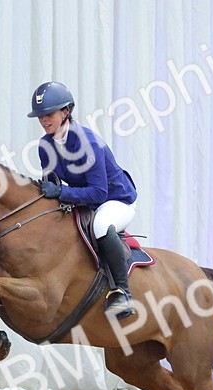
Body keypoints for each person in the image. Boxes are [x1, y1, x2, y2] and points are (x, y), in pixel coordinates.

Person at [29, 81, 138, 319]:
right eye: (40, 117)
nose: (44, 120)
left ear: (66, 111)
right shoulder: (45, 145)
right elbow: (52, 183)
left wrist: (62, 193)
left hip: (115, 201)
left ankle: (122, 292)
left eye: (48, 114)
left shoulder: (88, 142)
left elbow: (99, 193)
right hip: (84, 201)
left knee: (101, 225)